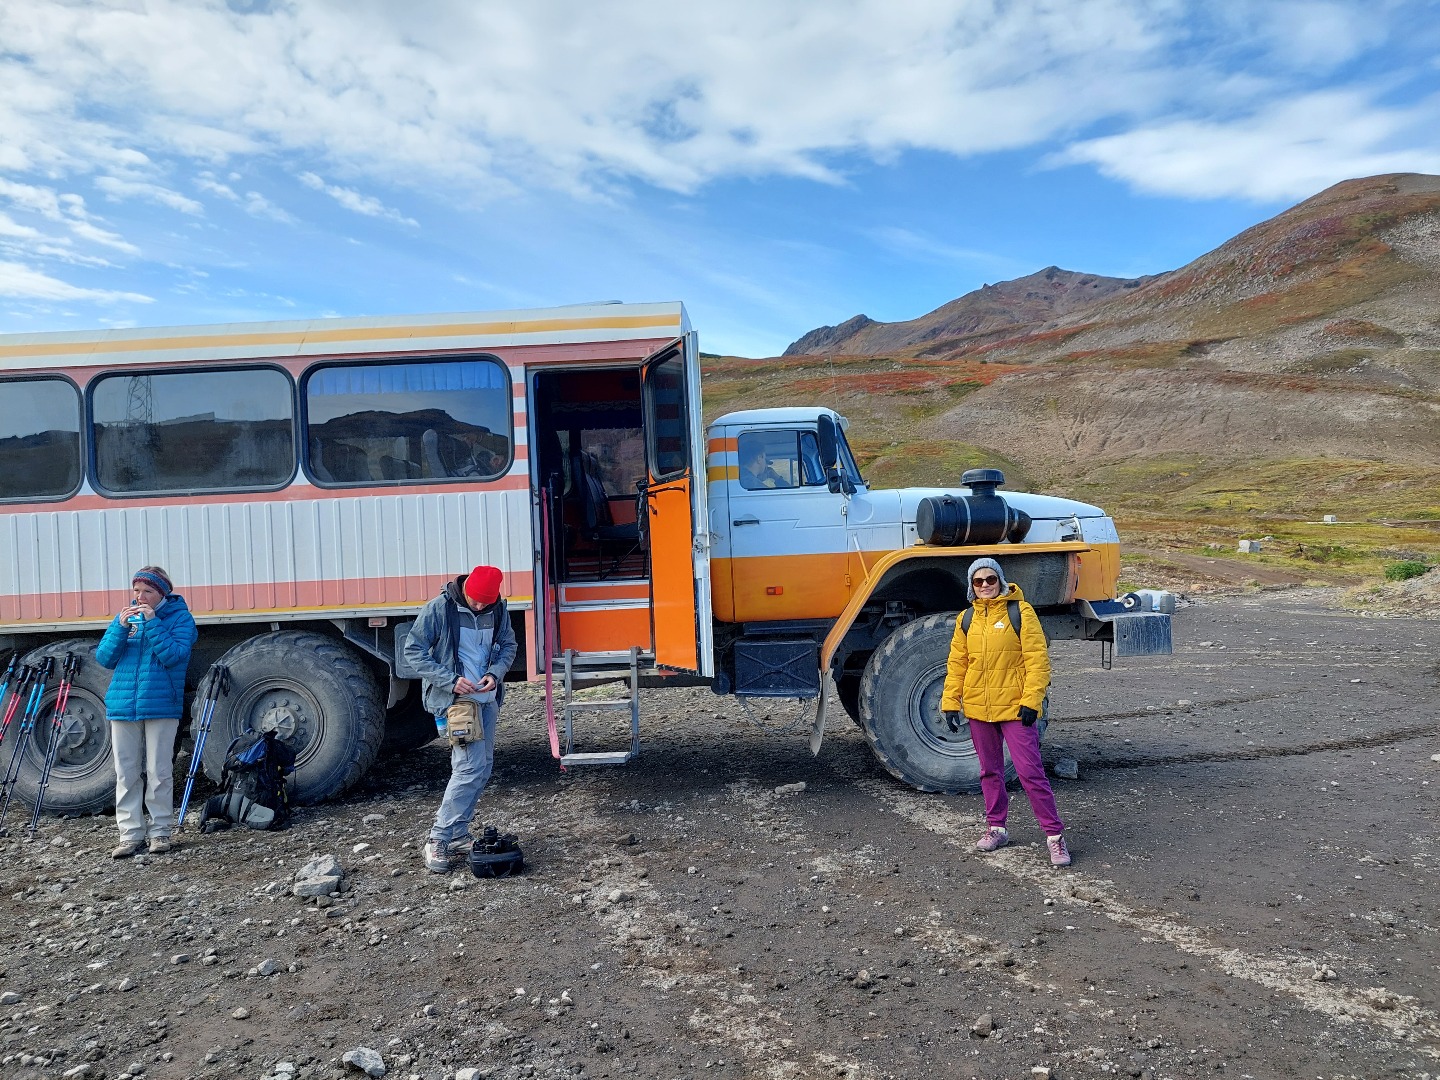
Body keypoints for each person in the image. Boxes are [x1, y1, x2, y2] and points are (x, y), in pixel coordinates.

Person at [939, 557, 1070, 867]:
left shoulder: (1021, 613)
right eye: (978, 581)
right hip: (978, 708)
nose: (985, 585)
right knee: (989, 771)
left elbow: (1037, 661)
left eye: (990, 579)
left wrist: (1032, 701)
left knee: (1029, 772)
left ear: (1000, 580)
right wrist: (949, 701)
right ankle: (996, 828)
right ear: (971, 587)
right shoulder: (966, 619)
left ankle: (1055, 837)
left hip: (1014, 707)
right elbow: (958, 663)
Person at [403, 564, 518, 873]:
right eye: (476, 601)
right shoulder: (439, 608)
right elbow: (413, 651)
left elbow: (508, 645)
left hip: (487, 700)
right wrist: (449, 680)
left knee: (482, 768)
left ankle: (456, 834)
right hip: (457, 702)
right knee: (468, 769)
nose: (480, 607)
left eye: (486, 603)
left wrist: (496, 673)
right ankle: (438, 839)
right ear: (466, 589)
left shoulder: (498, 608)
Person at [95, 566, 197, 858]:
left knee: (159, 771)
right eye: (136, 590)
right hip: (122, 705)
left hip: (161, 704)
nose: (140, 597)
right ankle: (130, 835)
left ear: (161, 593)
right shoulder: (125, 619)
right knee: (126, 772)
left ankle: (161, 832)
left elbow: (174, 656)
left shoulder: (181, 619)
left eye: (147, 591)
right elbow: (104, 657)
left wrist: (152, 623)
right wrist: (119, 628)